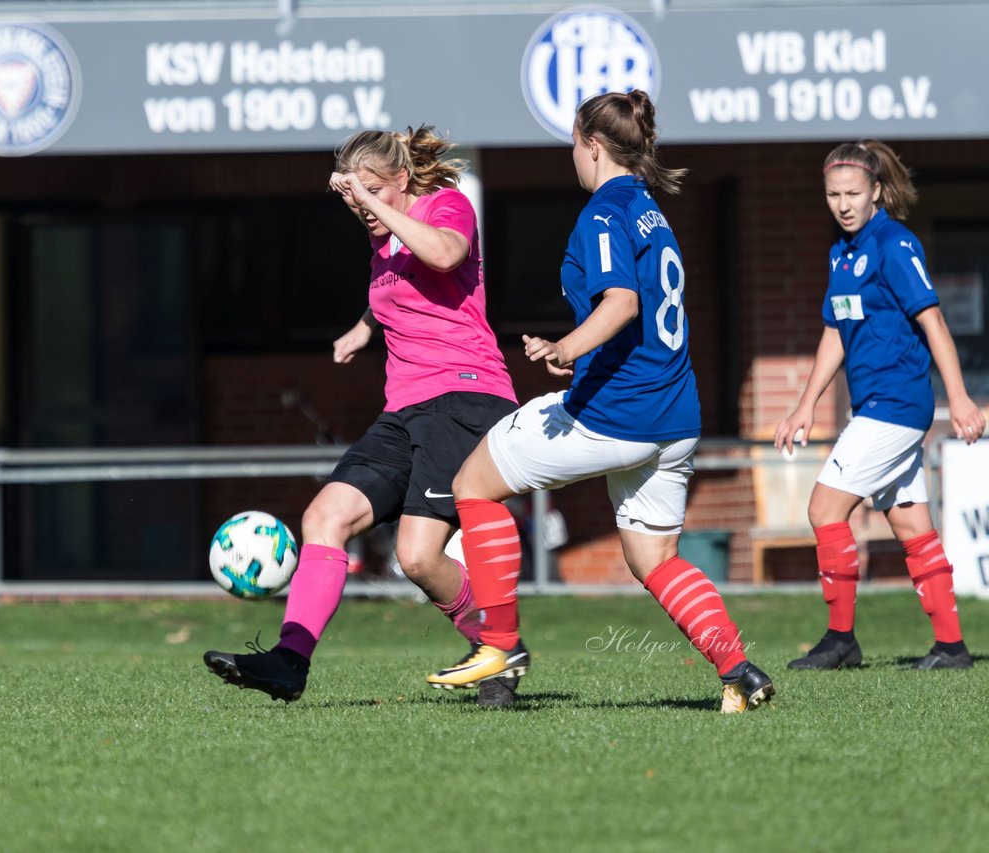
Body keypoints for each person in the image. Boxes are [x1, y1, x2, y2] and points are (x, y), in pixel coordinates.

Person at [425, 90, 775, 713]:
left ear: (592, 146)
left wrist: (564, 349)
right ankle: (738, 671)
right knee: (653, 558)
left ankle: (499, 649)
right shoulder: (649, 210)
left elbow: (621, 303)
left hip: (620, 413)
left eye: (572, 146)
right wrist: (573, 349)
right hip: (675, 416)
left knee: (473, 486)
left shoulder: (603, 214)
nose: (572, 159)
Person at [204, 125, 520, 705]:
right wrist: (363, 327)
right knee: (326, 516)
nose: (364, 208)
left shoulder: (444, 206)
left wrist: (372, 202)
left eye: (374, 191)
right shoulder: (385, 236)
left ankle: (498, 647)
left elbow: (444, 254)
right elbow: (401, 288)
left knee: (419, 557)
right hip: (404, 408)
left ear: (401, 180)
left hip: (464, 398)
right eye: (354, 198)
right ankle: (288, 662)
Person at [775, 140, 985, 671]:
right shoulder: (840, 253)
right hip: (873, 405)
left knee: (824, 509)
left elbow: (933, 321)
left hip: (894, 405)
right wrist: (805, 405)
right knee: (912, 526)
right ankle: (952, 647)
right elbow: (835, 333)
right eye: (832, 194)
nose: (843, 204)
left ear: (876, 192)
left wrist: (958, 397)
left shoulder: (894, 243)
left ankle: (840, 639)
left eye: (852, 193)